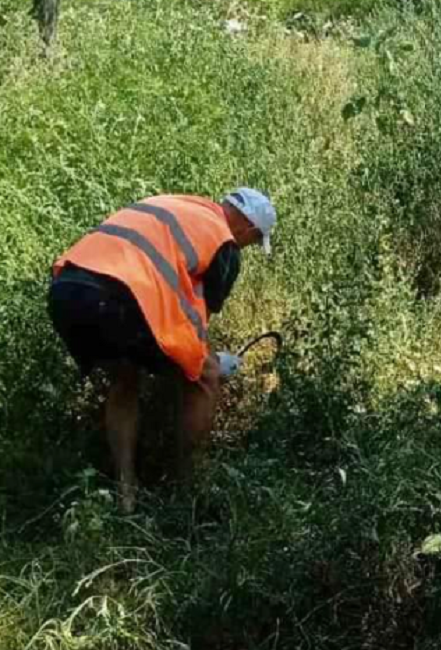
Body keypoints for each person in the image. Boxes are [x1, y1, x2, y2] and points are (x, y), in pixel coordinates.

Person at [47, 189, 276, 512]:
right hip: (117, 300)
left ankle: (126, 490)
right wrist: (212, 361)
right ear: (249, 229)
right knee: (204, 375)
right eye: (253, 241)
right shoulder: (225, 243)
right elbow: (195, 322)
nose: (246, 246)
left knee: (126, 378)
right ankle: (186, 489)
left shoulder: (177, 205)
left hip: (66, 291)